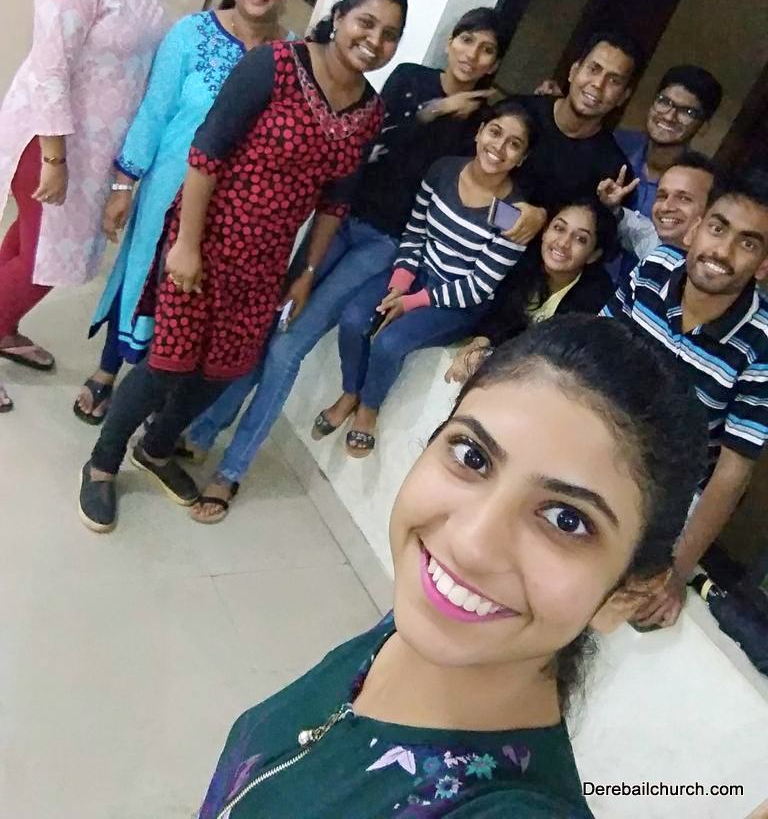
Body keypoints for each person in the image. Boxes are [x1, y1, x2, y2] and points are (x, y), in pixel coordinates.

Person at [195, 314, 707, 819]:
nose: (470, 545)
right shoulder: (413, 626)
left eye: (566, 520)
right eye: (473, 457)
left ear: (626, 595)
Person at [77, 0, 408, 533]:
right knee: (167, 362)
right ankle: (102, 464)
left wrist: (306, 272)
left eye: (390, 34)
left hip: (266, 261)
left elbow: (336, 201)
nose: (374, 41)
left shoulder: (369, 112)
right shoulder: (274, 65)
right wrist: (186, 245)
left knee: (222, 370)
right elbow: (207, 151)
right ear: (340, 17)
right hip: (205, 237)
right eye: (366, 23)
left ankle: (155, 448)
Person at [183, 7, 513, 520]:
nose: (473, 54)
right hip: (336, 220)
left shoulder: (485, 125)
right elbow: (373, 141)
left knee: (290, 344)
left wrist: (528, 213)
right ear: (451, 41)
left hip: (384, 244)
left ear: (495, 63)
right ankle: (203, 432)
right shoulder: (410, 81)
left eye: (487, 49)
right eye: (467, 40)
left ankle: (231, 471)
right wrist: (435, 110)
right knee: (271, 326)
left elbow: (503, 180)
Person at [74, 0, 297, 424]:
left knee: (194, 301)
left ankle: (155, 396)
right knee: (143, 274)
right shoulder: (191, 34)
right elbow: (154, 112)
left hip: (238, 210)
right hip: (169, 187)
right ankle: (109, 369)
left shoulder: (294, 57)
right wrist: (123, 185)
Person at [0, 0, 186, 413]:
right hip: (52, 139)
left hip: (97, 145)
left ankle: (2, 327)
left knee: (25, 244)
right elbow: (51, 65)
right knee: (46, 259)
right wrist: (54, 159)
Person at [313, 99, 533, 458]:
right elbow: (415, 232)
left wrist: (412, 302)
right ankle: (351, 391)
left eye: (514, 144)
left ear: (521, 158)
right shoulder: (443, 171)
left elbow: (479, 286)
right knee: (353, 319)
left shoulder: (510, 214)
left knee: (389, 343)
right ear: (479, 132)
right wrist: (400, 283)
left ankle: (369, 407)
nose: (499, 147)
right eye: (494, 132)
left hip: (457, 301)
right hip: (415, 274)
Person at [603, 168, 768, 628]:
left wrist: (676, 571)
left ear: (763, 266)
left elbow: (733, 471)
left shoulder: (762, 343)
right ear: (695, 230)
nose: (723, 251)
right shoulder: (655, 267)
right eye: (718, 228)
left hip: (670, 490)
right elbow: (593, 349)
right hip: (599, 442)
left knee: (619, 599)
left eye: (748, 243)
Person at [445, 198, 616, 384]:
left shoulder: (597, 298)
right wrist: (479, 345)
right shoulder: (523, 258)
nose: (563, 243)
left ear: (593, 255)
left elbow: (563, 363)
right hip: (503, 360)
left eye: (580, 239)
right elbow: (500, 316)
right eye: (559, 228)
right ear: (545, 231)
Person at [512, 31, 641, 235]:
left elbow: (597, 242)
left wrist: (608, 210)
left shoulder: (614, 172)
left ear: (623, 97)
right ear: (573, 71)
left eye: (614, 80)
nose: (598, 84)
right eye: (593, 69)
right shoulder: (517, 113)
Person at [614, 64, 722, 219]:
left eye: (687, 112)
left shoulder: (701, 187)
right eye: (664, 102)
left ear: (703, 127)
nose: (670, 116)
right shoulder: (613, 146)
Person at [597, 151, 716, 261]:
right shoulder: (654, 243)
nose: (666, 207)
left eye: (684, 198)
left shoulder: (711, 270)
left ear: (713, 209)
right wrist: (612, 207)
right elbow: (633, 227)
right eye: (662, 196)